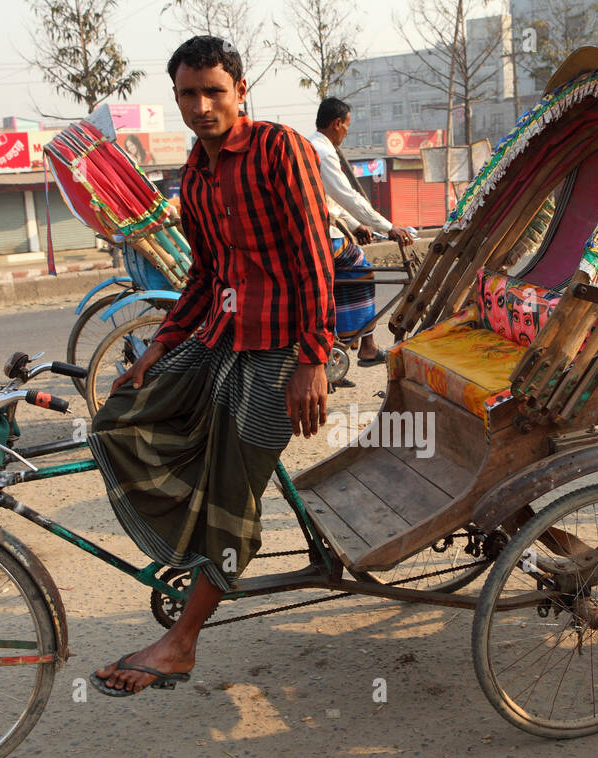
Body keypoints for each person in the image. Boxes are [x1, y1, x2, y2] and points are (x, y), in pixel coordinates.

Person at [89, 36, 335, 696]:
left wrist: (312, 361)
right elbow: (205, 277)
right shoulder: (193, 176)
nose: (201, 105)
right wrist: (162, 347)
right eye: (188, 94)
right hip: (221, 336)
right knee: (119, 419)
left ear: (240, 91)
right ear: (176, 98)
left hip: (281, 352)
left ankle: (182, 642)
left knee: (233, 496)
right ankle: (198, 547)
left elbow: (314, 259)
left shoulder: (279, 149)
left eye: (213, 92)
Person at [309, 96, 414, 366]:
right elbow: (348, 197)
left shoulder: (312, 146)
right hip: (317, 238)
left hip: (315, 233)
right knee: (359, 267)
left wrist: (357, 225)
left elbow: (330, 200)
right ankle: (366, 345)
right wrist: (389, 228)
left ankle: (341, 344)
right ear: (336, 123)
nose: (346, 132)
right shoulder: (323, 151)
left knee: (342, 281)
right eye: (346, 126)